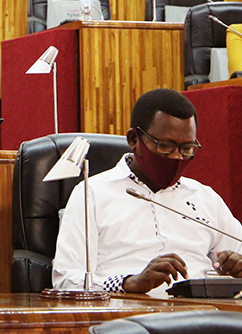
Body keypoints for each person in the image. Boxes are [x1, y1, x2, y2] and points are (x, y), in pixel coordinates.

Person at [52, 88, 242, 297]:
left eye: (187, 148)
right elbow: (66, 279)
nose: (177, 157)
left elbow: (237, 252)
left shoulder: (204, 197)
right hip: (127, 315)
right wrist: (129, 283)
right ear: (134, 139)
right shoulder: (92, 193)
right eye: (166, 146)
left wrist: (236, 267)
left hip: (204, 315)